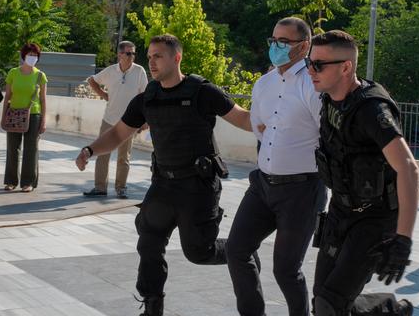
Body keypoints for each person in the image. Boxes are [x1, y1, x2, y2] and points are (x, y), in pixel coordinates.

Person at [75, 34, 253, 316]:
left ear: (176, 58)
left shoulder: (202, 91)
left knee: (199, 252)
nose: (152, 61)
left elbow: (242, 118)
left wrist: (276, 123)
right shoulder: (147, 98)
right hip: (162, 185)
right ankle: (152, 306)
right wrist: (90, 150)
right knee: (148, 243)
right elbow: (119, 133)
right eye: (150, 56)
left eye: (158, 55)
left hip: (198, 185)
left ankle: (241, 251)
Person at [307, 31, 419, 316]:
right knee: (323, 301)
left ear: (346, 67)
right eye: (310, 62)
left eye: (319, 64)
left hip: (374, 219)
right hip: (340, 211)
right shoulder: (329, 99)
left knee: (330, 304)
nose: (311, 70)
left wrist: (403, 239)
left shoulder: (372, 109)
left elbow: (408, 168)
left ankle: (390, 308)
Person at [226, 17, 327, 316]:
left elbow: (330, 134)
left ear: (304, 45)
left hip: (301, 190)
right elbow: (257, 125)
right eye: (273, 40)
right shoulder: (264, 83)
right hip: (263, 185)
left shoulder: (314, 84)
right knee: (236, 250)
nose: (276, 47)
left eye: (284, 42)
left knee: (285, 270)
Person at [83, 41, 148, 199]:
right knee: (102, 154)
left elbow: (145, 96)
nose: (131, 56)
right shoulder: (110, 71)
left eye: (133, 53)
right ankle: (100, 187)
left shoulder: (139, 71)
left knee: (123, 157)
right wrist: (104, 95)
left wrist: (144, 120)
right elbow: (92, 80)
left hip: (129, 122)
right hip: (109, 120)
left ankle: (121, 188)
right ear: (119, 54)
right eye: (128, 53)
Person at [2, 43, 47, 192]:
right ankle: (10, 181)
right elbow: (8, 96)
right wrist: (3, 116)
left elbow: (43, 100)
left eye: (35, 55)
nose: (32, 57)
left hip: (34, 114)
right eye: (30, 54)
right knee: (12, 148)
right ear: (23, 55)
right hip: (14, 113)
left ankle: (28, 182)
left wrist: (43, 120)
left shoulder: (41, 75)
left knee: (31, 149)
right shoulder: (13, 73)